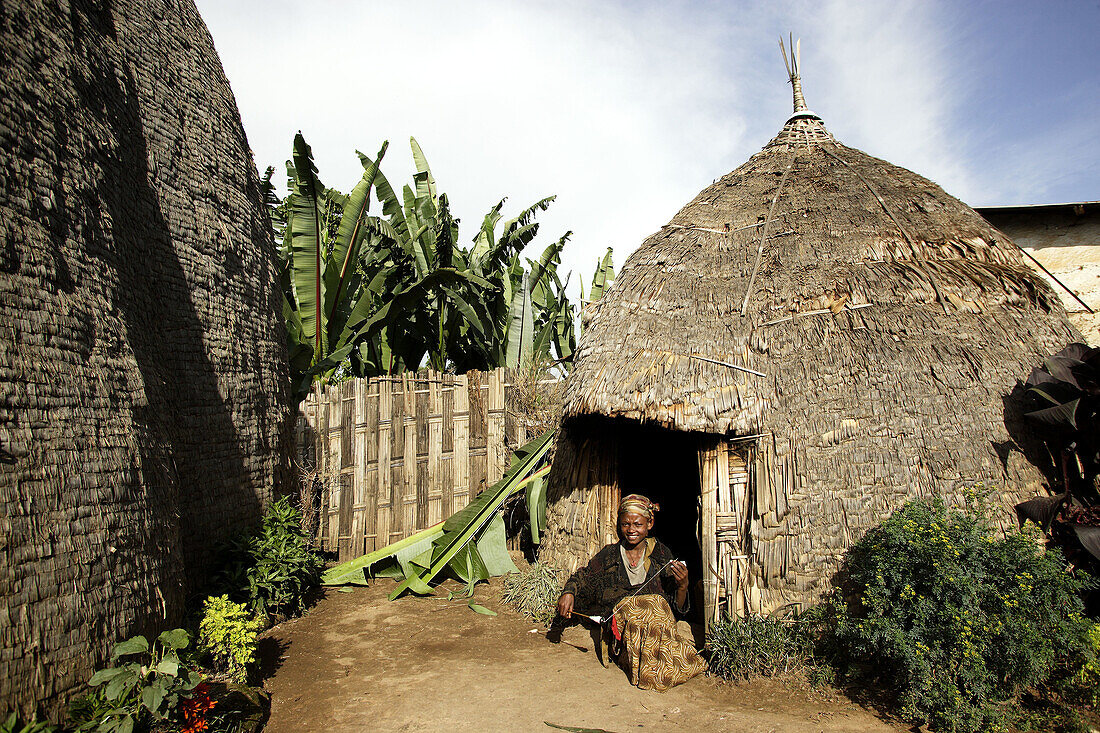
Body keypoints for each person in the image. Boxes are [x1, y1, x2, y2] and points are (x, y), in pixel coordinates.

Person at [555, 494, 707, 691]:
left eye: (637, 524)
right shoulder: (609, 555)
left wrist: (683, 586)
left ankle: (656, 668)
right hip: (627, 629)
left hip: (656, 626)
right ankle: (652, 671)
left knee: (656, 608)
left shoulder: (662, 555)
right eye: (626, 524)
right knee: (636, 616)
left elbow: (675, 610)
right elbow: (584, 577)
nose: (631, 530)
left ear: (649, 524)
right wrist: (569, 593)